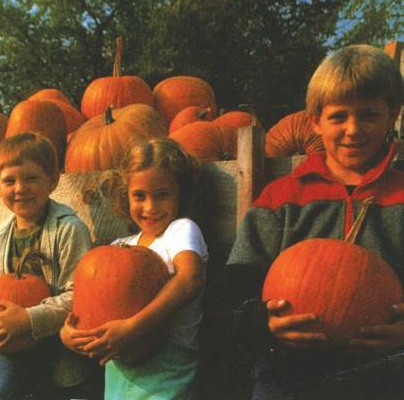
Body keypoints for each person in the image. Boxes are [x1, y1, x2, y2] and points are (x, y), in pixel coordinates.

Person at [226, 44, 404, 400]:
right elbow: (236, 291)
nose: (353, 129)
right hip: (288, 379)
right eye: (338, 117)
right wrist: (265, 325)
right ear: (315, 122)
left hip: (381, 379)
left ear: (392, 116)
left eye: (369, 115)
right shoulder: (282, 198)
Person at [60, 137, 209, 400]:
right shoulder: (120, 246)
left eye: (162, 195)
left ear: (181, 194)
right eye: (139, 196)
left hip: (169, 365)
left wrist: (132, 327)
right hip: (119, 368)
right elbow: (91, 305)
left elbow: (189, 279)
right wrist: (69, 334)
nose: (150, 207)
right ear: (125, 196)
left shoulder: (181, 230)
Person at [0, 132, 103, 400]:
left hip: (60, 339)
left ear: (53, 180)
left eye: (31, 178)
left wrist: (29, 319)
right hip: (13, 344)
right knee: (0, 393)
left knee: (69, 389)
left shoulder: (69, 231)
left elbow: (80, 296)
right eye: (9, 181)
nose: (20, 188)